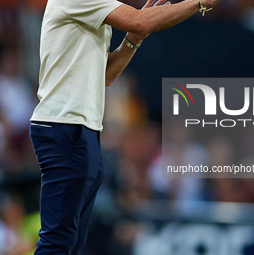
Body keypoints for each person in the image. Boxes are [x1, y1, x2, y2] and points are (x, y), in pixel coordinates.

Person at [29, 0, 222, 254]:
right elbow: (139, 20)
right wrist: (198, 3)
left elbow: (106, 74)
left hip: (80, 129)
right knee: (59, 240)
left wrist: (132, 40)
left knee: (72, 242)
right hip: (65, 127)